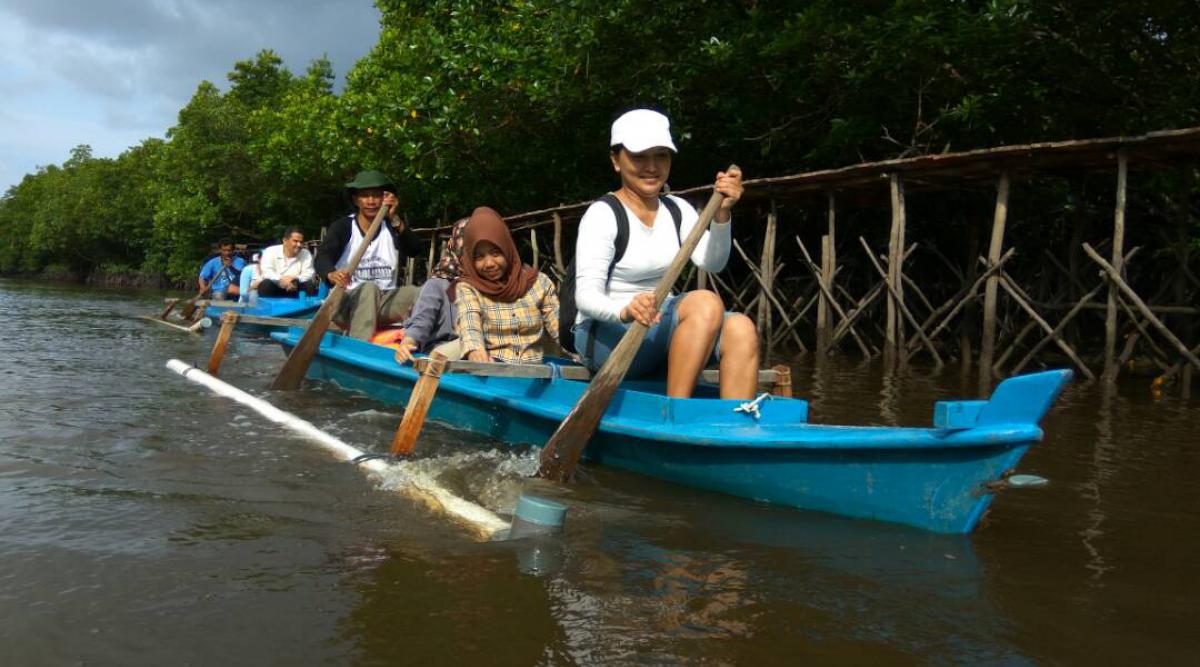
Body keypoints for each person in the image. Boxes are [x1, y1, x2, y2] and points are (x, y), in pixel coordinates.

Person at [573, 108, 757, 399]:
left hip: (657, 330)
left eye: (661, 155)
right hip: (608, 334)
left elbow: (714, 263)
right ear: (615, 161)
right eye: (639, 157)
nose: (652, 166)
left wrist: (721, 215)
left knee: (741, 328)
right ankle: (674, 413)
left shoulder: (676, 209)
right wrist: (625, 310)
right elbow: (585, 297)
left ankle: (736, 426)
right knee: (705, 302)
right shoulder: (603, 215)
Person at [314, 170, 422, 339]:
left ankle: (420, 342)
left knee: (422, 293)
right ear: (356, 200)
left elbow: (414, 250)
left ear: (385, 199)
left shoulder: (392, 227)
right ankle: (359, 348)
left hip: (383, 302)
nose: (371, 201)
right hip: (346, 303)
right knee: (368, 289)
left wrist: (395, 219)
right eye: (365, 196)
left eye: (377, 196)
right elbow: (322, 257)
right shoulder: (343, 227)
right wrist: (332, 274)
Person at [453, 206, 559, 364]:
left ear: (507, 249)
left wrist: (581, 349)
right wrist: (475, 350)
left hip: (534, 370)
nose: (489, 263)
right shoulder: (468, 287)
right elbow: (469, 321)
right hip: (493, 367)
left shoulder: (539, 282)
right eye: (479, 257)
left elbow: (558, 326)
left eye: (496, 253)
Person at [393, 216, 469, 363]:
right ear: (456, 247)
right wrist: (409, 342)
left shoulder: (492, 285)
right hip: (439, 354)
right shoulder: (437, 284)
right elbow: (422, 321)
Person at [258, 227, 318, 298]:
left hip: (296, 286)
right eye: (295, 241)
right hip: (276, 285)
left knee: (309, 285)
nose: (299, 245)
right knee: (265, 284)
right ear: (285, 240)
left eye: (301, 242)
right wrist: (281, 280)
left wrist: (295, 280)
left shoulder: (306, 253)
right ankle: (267, 307)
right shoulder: (270, 251)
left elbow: (309, 273)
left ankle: (309, 308)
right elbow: (266, 272)